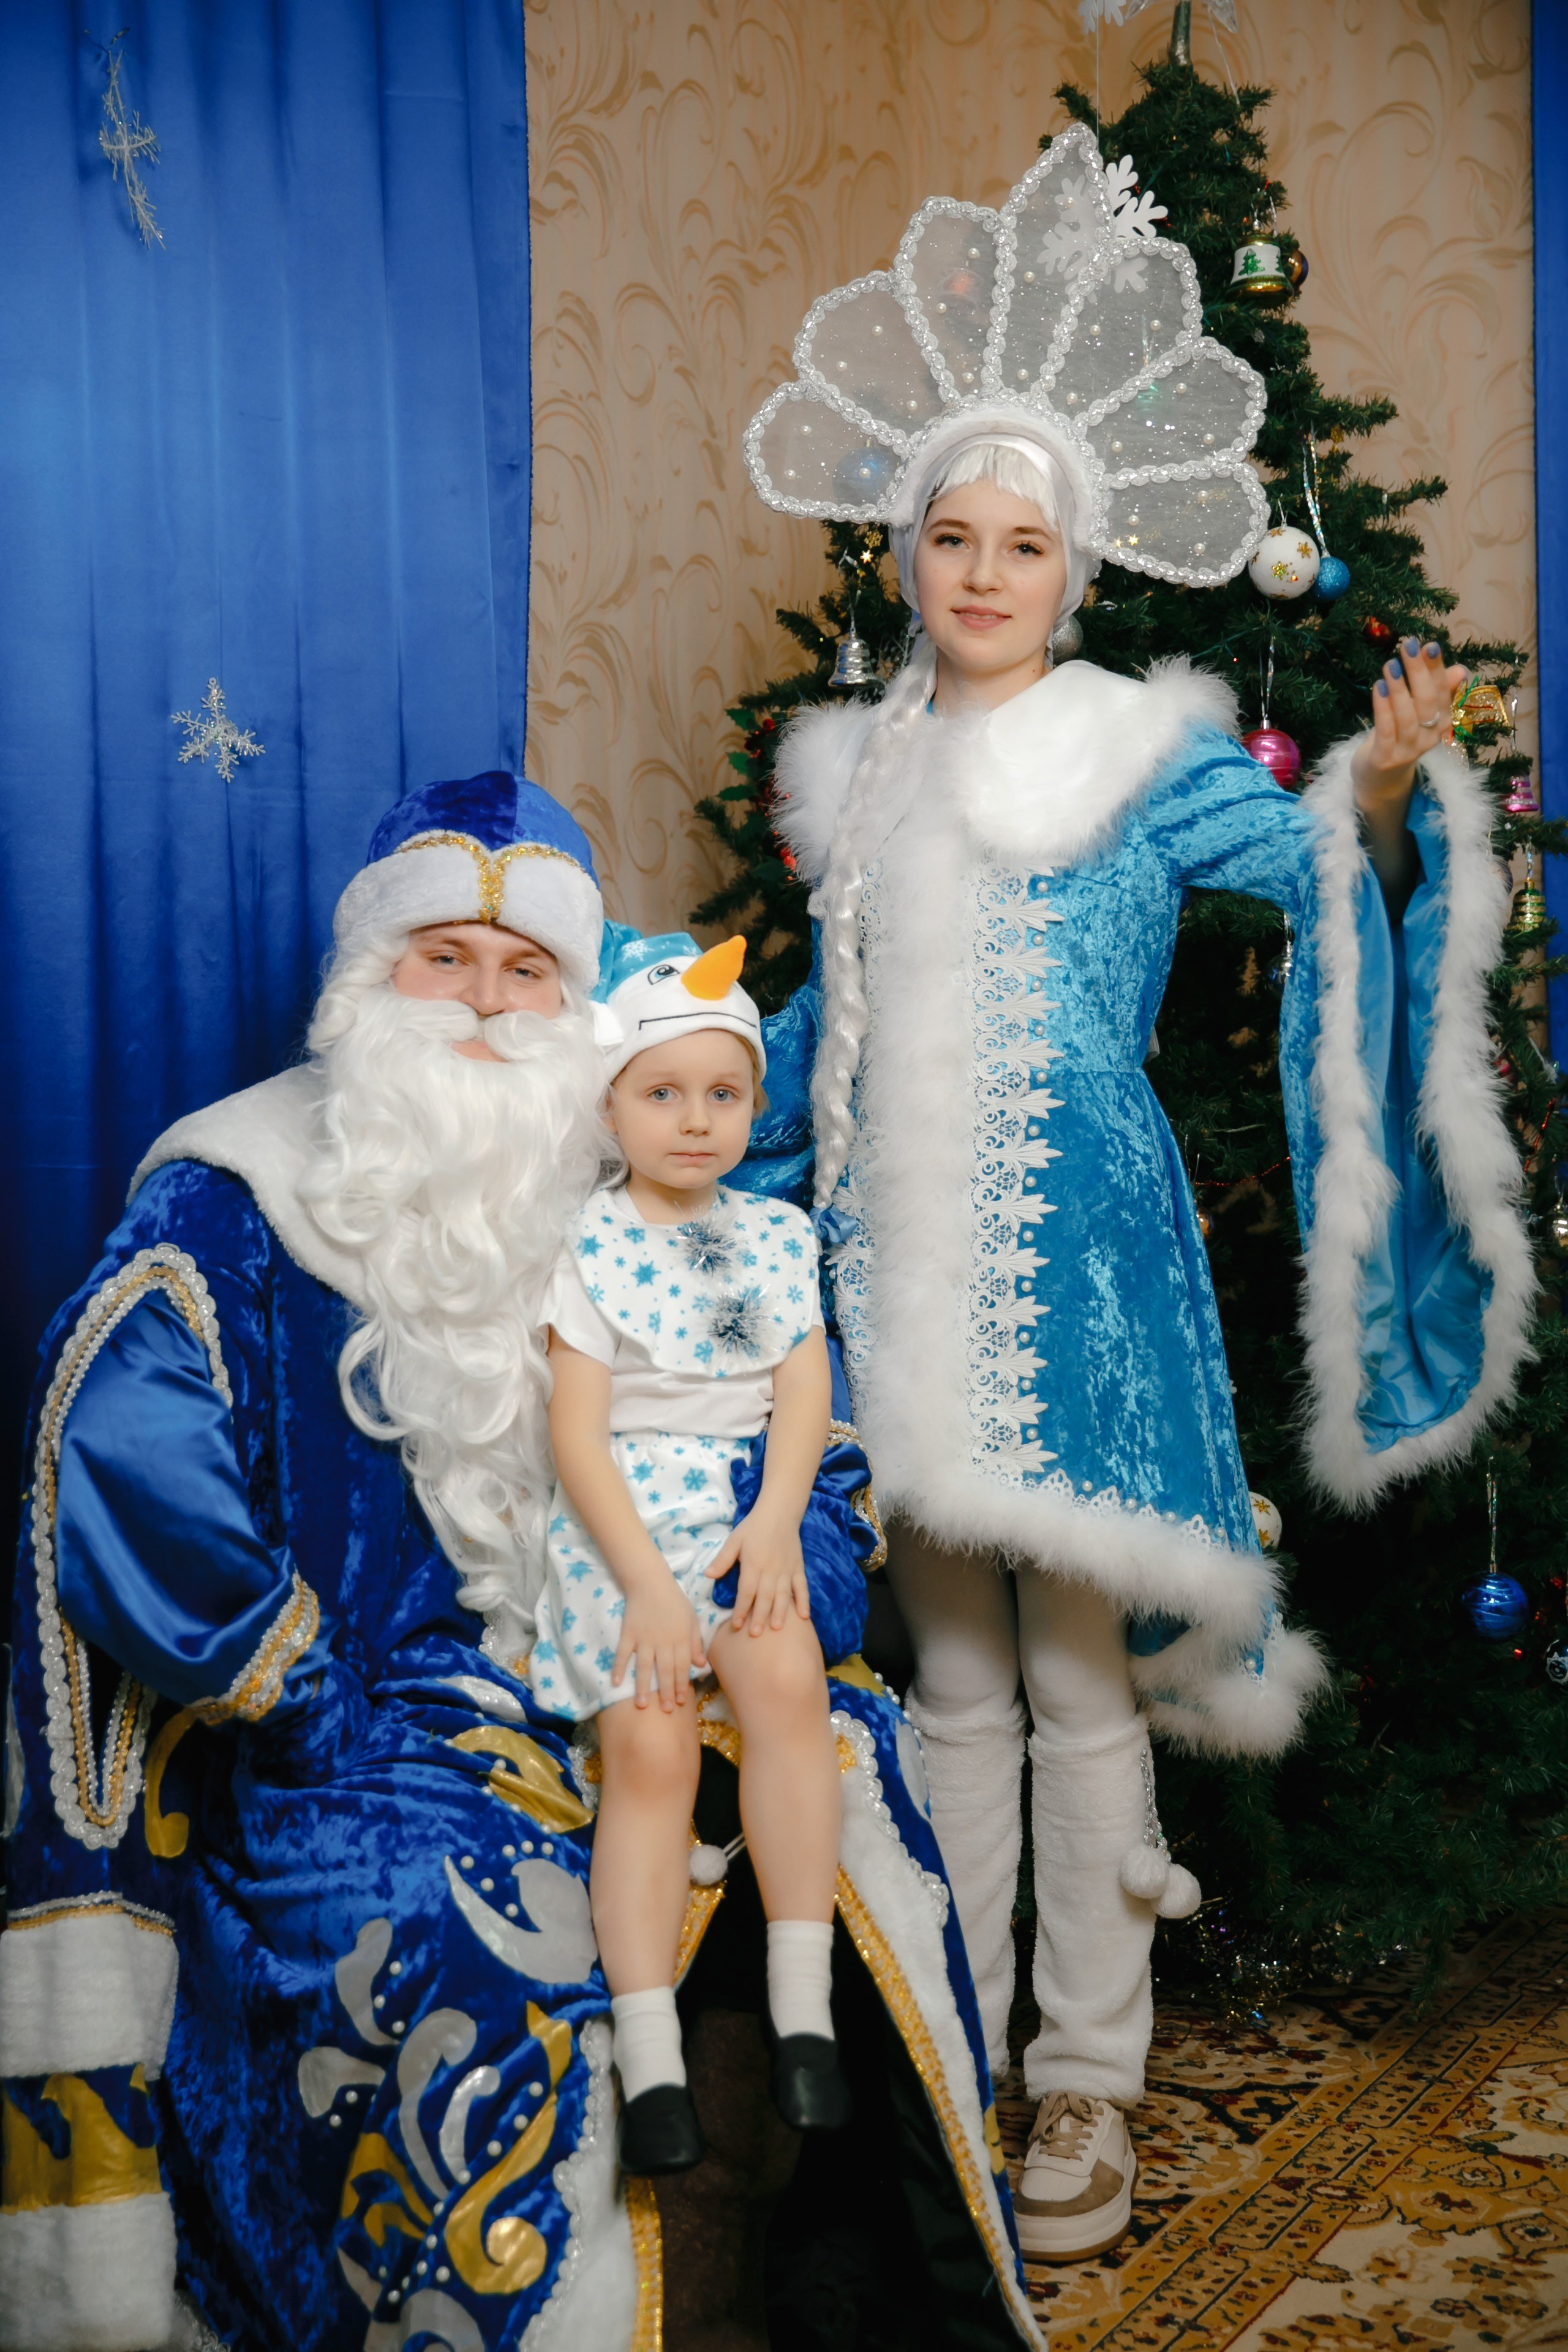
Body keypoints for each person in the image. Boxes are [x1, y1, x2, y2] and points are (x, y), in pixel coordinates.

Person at [744, 126, 1532, 2262]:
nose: (982, 571)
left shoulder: (1139, 750)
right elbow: (824, 1030)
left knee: (1079, 1680)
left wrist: (1377, 795)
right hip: (890, 1281)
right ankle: (964, 2059)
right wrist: (669, 1123)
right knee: (955, 1689)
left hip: (1071, 1276)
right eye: (951, 535)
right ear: (910, 552)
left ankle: (1090, 2082)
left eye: (1023, 543)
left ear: (1074, 572)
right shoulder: (867, 769)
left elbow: (1314, 882)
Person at [0, 773, 1046, 2352]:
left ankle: (853, 2293)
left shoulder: (635, 1159)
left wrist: (782, 1589)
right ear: (368, 983)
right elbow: (119, 1439)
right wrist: (298, 1700)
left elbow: (802, 1426)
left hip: (658, 1631)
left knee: (858, 1767)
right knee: (423, 1902)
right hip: (366, 1711)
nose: (488, 1003)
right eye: (445, 962)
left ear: (575, 1005)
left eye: (528, 972)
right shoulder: (240, 1191)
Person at [530, 942, 851, 2175]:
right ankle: (649, 2045)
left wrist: (774, 1523)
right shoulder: (586, 1239)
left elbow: (801, 1394)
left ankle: (801, 2008)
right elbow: (573, 1432)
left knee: (784, 1688)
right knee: (650, 1745)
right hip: (620, 1530)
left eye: (723, 1094)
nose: (695, 1120)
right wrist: (649, 1591)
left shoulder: (776, 1235)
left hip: (736, 1510)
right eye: (662, 1093)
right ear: (610, 1105)